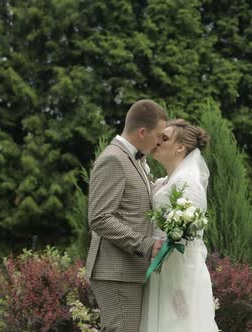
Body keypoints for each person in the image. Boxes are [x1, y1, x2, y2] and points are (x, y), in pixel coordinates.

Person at [85, 99, 167, 332]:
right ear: (142, 132)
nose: (160, 141)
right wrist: (143, 244)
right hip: (115, 272)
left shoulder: (135, 159)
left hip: (127, 271)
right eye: (158, 135)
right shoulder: (113, 158)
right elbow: (99, 218)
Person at [140, 119, 219, 331]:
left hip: (180, 272)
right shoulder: (166, 181)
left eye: (164, 138)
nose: (157, 142)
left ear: (180, 147)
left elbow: (187, 235)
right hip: (160, 267)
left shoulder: (188, 182)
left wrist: (178, 288)